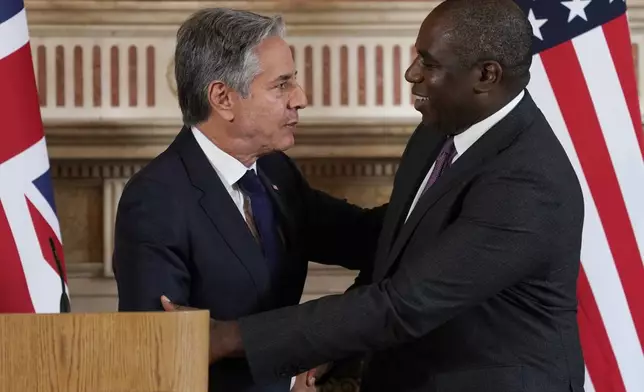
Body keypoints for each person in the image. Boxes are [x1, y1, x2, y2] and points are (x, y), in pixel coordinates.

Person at [162, 1, 586, 391]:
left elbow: (403, 304)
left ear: (485, 76)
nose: (411, 73)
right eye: (417, 54)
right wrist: (255, 192)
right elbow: (393, 245)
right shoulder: (438, 130)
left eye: (430, 63)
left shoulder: (528, 182)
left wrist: (228, 337)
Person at [112, 8, 386, 392]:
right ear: (223, 98)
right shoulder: (156, 200)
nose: (300, 98)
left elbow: (365, 237)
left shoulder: (276, 172)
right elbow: (159, 354)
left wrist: (445, 186)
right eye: (282, 85)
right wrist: (289, 383)